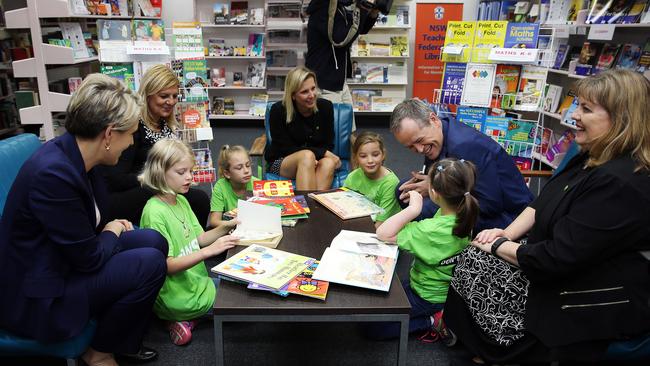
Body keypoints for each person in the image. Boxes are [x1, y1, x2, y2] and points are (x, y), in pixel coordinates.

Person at [445, 69, 650, 364]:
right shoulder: (590, 155)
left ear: (622, 119)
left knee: (481, 262)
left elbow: (556, 258)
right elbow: (542, 202)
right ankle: (484, 343)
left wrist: (498, 246)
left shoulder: (621, 183)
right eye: (576, 105)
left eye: (586, 109)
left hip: (594, 291)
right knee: (473, 259)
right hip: (564, 260)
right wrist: (506, 234)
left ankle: (508, 351)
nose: (573, 115)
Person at [0, 74, 168, 366]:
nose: (131, 143)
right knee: (150, 263)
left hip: (64, 261)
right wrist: (112, 230)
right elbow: (89, 259)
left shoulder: (79, 156)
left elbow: (88, 225)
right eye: (129, 134)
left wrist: (108, 229)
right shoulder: (52, 174)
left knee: (153, 240)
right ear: (108, 135)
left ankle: (119, 337)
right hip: (41, 295)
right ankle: (100, 352)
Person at [139, 139, 240, 346]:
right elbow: (166, 266)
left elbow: (200, 238)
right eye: (181, 172)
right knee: (241, 306)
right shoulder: (154, 212)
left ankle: (186, 321)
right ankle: (177, 316)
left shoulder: (181, 200)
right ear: (160, 172)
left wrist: (228, 226)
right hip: (177, 295)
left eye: (190, 171)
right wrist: (209, 252)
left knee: (239, 291)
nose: (189, 177)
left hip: (195, 284)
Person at [390, 98, 533, 233]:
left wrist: (433, 187)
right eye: (410, 147)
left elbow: (490, 205)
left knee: (425, 209)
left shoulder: (465, 146)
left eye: (420, 140)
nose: (420, 150)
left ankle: (436, 248)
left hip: (508, 217)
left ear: (433, 120)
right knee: (403, 191)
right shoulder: (440, 133)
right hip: (469, 198)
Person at [375, 158, 478, 343]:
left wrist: (414, 209)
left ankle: (433, 320)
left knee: (372, 327)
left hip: (427, 295)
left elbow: (383, 233)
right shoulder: (464, 214)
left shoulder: (430, 230)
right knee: (381, 297)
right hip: (442, 288)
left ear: (434, 193)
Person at [103, 64, 210, 227]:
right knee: (197, 200)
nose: (171, 101)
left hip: (160, 189)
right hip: (135, 193)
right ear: (148, 95)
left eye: (175, 96)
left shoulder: (164, 124)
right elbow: (116, 178)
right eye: (164, 96)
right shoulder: (133, 127)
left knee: (198, 199)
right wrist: (158, 179)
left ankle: (190, 243)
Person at [305, 0, 379, 130]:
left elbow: (359, 28)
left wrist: (374, 11)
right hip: (324, 82)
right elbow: (340, 38)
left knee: (348, 129)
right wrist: (362, 6)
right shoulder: (324, 9)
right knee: (333, 131)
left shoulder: (339, 8)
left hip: (338, 81)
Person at [264, 66, 340, 190]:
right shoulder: (278, 110)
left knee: (328, 163)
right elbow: (284, 148)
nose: (312, 95)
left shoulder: (326, 107)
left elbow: (328, 143)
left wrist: (316, 156)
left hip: (316, 160)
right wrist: (317, 154)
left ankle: (313, 208)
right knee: (306, 157)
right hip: (282, 161)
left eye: (313, 88)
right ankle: (307, 206)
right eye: (305, 92)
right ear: (293, 95)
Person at [343, 131, 401, 228]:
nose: (370, 161)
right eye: (363, 156)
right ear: (355, 158)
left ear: (383, 154)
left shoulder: (391, 183)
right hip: (358, 224)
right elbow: (344, 207)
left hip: (383, 229)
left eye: (375, 155)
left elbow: (380, 225)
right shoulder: (352, 177)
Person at [209, 145, 258, 229]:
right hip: (231, 230)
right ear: (227, 174)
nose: (246, 171)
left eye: (248, 165)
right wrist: (233, 223)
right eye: (239, 168)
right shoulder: (220, 187)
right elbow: (214, 221)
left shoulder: (257, 184)